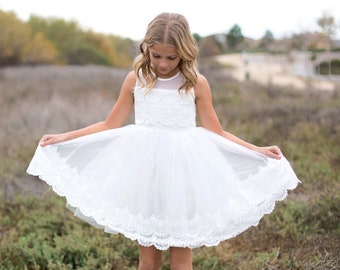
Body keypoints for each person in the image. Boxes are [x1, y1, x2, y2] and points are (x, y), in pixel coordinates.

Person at [27, 12, 300, 270]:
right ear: (146, 48)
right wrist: (63, 137)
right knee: (147, 262)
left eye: (172, 57)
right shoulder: (136, 79)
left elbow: (217, 131)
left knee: (181, 262)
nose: (163, 63)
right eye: (157, 55)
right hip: (145, 175)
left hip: (183, 176)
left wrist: (258, 150)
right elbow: (110, 124)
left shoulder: (196, 83)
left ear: (185, 53)